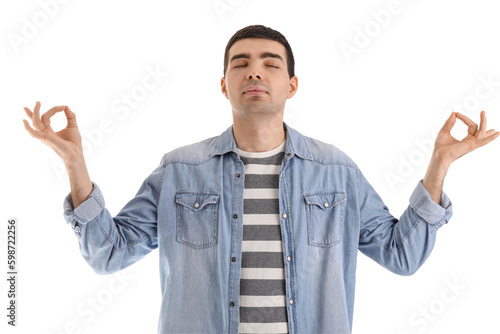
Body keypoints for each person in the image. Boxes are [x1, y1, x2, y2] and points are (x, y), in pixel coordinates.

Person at [23, 25, 498, 334]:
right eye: (241, 63)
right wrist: (74, 164)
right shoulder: (179, 171)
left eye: (271, 63)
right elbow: (109, 254)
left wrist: (440, 163)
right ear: (224, 84)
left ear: (291, 84)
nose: (255, 71)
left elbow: (401, 255)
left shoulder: (336, 171)